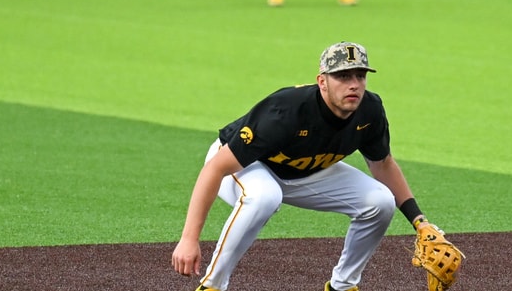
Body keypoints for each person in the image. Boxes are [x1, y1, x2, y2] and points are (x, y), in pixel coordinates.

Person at [171, 42, 437, 291]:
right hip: (246, 165)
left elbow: (383, 164)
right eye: (343, 76)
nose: (354, 85)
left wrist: (419, 221)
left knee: (380, 202)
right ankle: (212, 285)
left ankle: (342, 286)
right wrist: (189, 239)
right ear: (322, 81)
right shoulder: (286, 111)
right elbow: (215, 168)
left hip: (305, 172)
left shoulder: (370, 110)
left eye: (360, 76)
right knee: (265, 196)